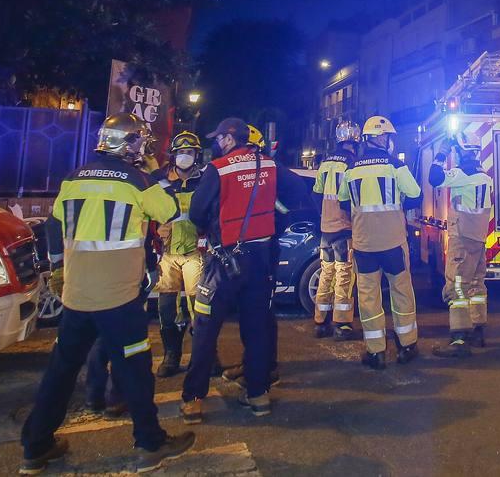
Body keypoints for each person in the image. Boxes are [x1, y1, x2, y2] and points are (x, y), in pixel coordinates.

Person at [20, 113, 194, 475]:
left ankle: (36, 446)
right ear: (127, 145)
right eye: (139, 143)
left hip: (76, 296)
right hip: (119, 299)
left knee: (61, 371)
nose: (142, 149)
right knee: (136, 371)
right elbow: (171, 210)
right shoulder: (136, 179)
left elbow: (55, 226)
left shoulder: (73, 178)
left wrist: (57, 270)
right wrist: (150, 173)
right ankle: (150, 443)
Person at [179, 118, 303, 422]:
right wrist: (275, 223)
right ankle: (258, 395)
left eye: (220, 137)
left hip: (224, 260)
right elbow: (298, 196)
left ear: (231, 138)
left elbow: (196, 213)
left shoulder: (219, 168)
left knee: (206, 329)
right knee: (257, 327)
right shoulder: (271, 166)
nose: (217, 142)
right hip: (260, 259)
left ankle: (194, 400)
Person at [339, 115, 423, 369]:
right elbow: (416, 195)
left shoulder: (351, 169)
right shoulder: (394, 166)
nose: (389, 141)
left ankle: (376, 352)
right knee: (401, 293)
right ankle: (406, 345)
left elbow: (344, 202)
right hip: (393, 243)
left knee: (368, 298)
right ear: (379, 137)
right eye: (387, 136)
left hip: (364, 245)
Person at [429, 140, 495, 358]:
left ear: (461, 152)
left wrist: (441, 154)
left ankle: (459, 338)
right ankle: (478, 330)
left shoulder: (462, 173)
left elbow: (435, 178)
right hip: (478, 239)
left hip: (463, 239)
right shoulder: (484, 174)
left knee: (457, 287)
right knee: (476, 285)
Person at [153, 131, 206, 379]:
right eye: (181, 152)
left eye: (190, 152)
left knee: (201, 307)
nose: (185, 156)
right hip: (167, 253)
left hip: (197, 252)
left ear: (197, 156)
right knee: (167, 309)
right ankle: (171, 356)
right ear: (173, 156)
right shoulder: (158, 182)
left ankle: (205, 356)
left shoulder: (206, 181)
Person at [311, 120, 359, 340]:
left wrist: (323, 216)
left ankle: (320, 322)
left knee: (326, 273)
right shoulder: (351, 162)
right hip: (343, 227)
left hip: (326, 229)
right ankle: (342, 323)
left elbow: (316, 194)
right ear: (354, 142)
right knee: (344, 275)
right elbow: (349, 199)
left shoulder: (325, 162)